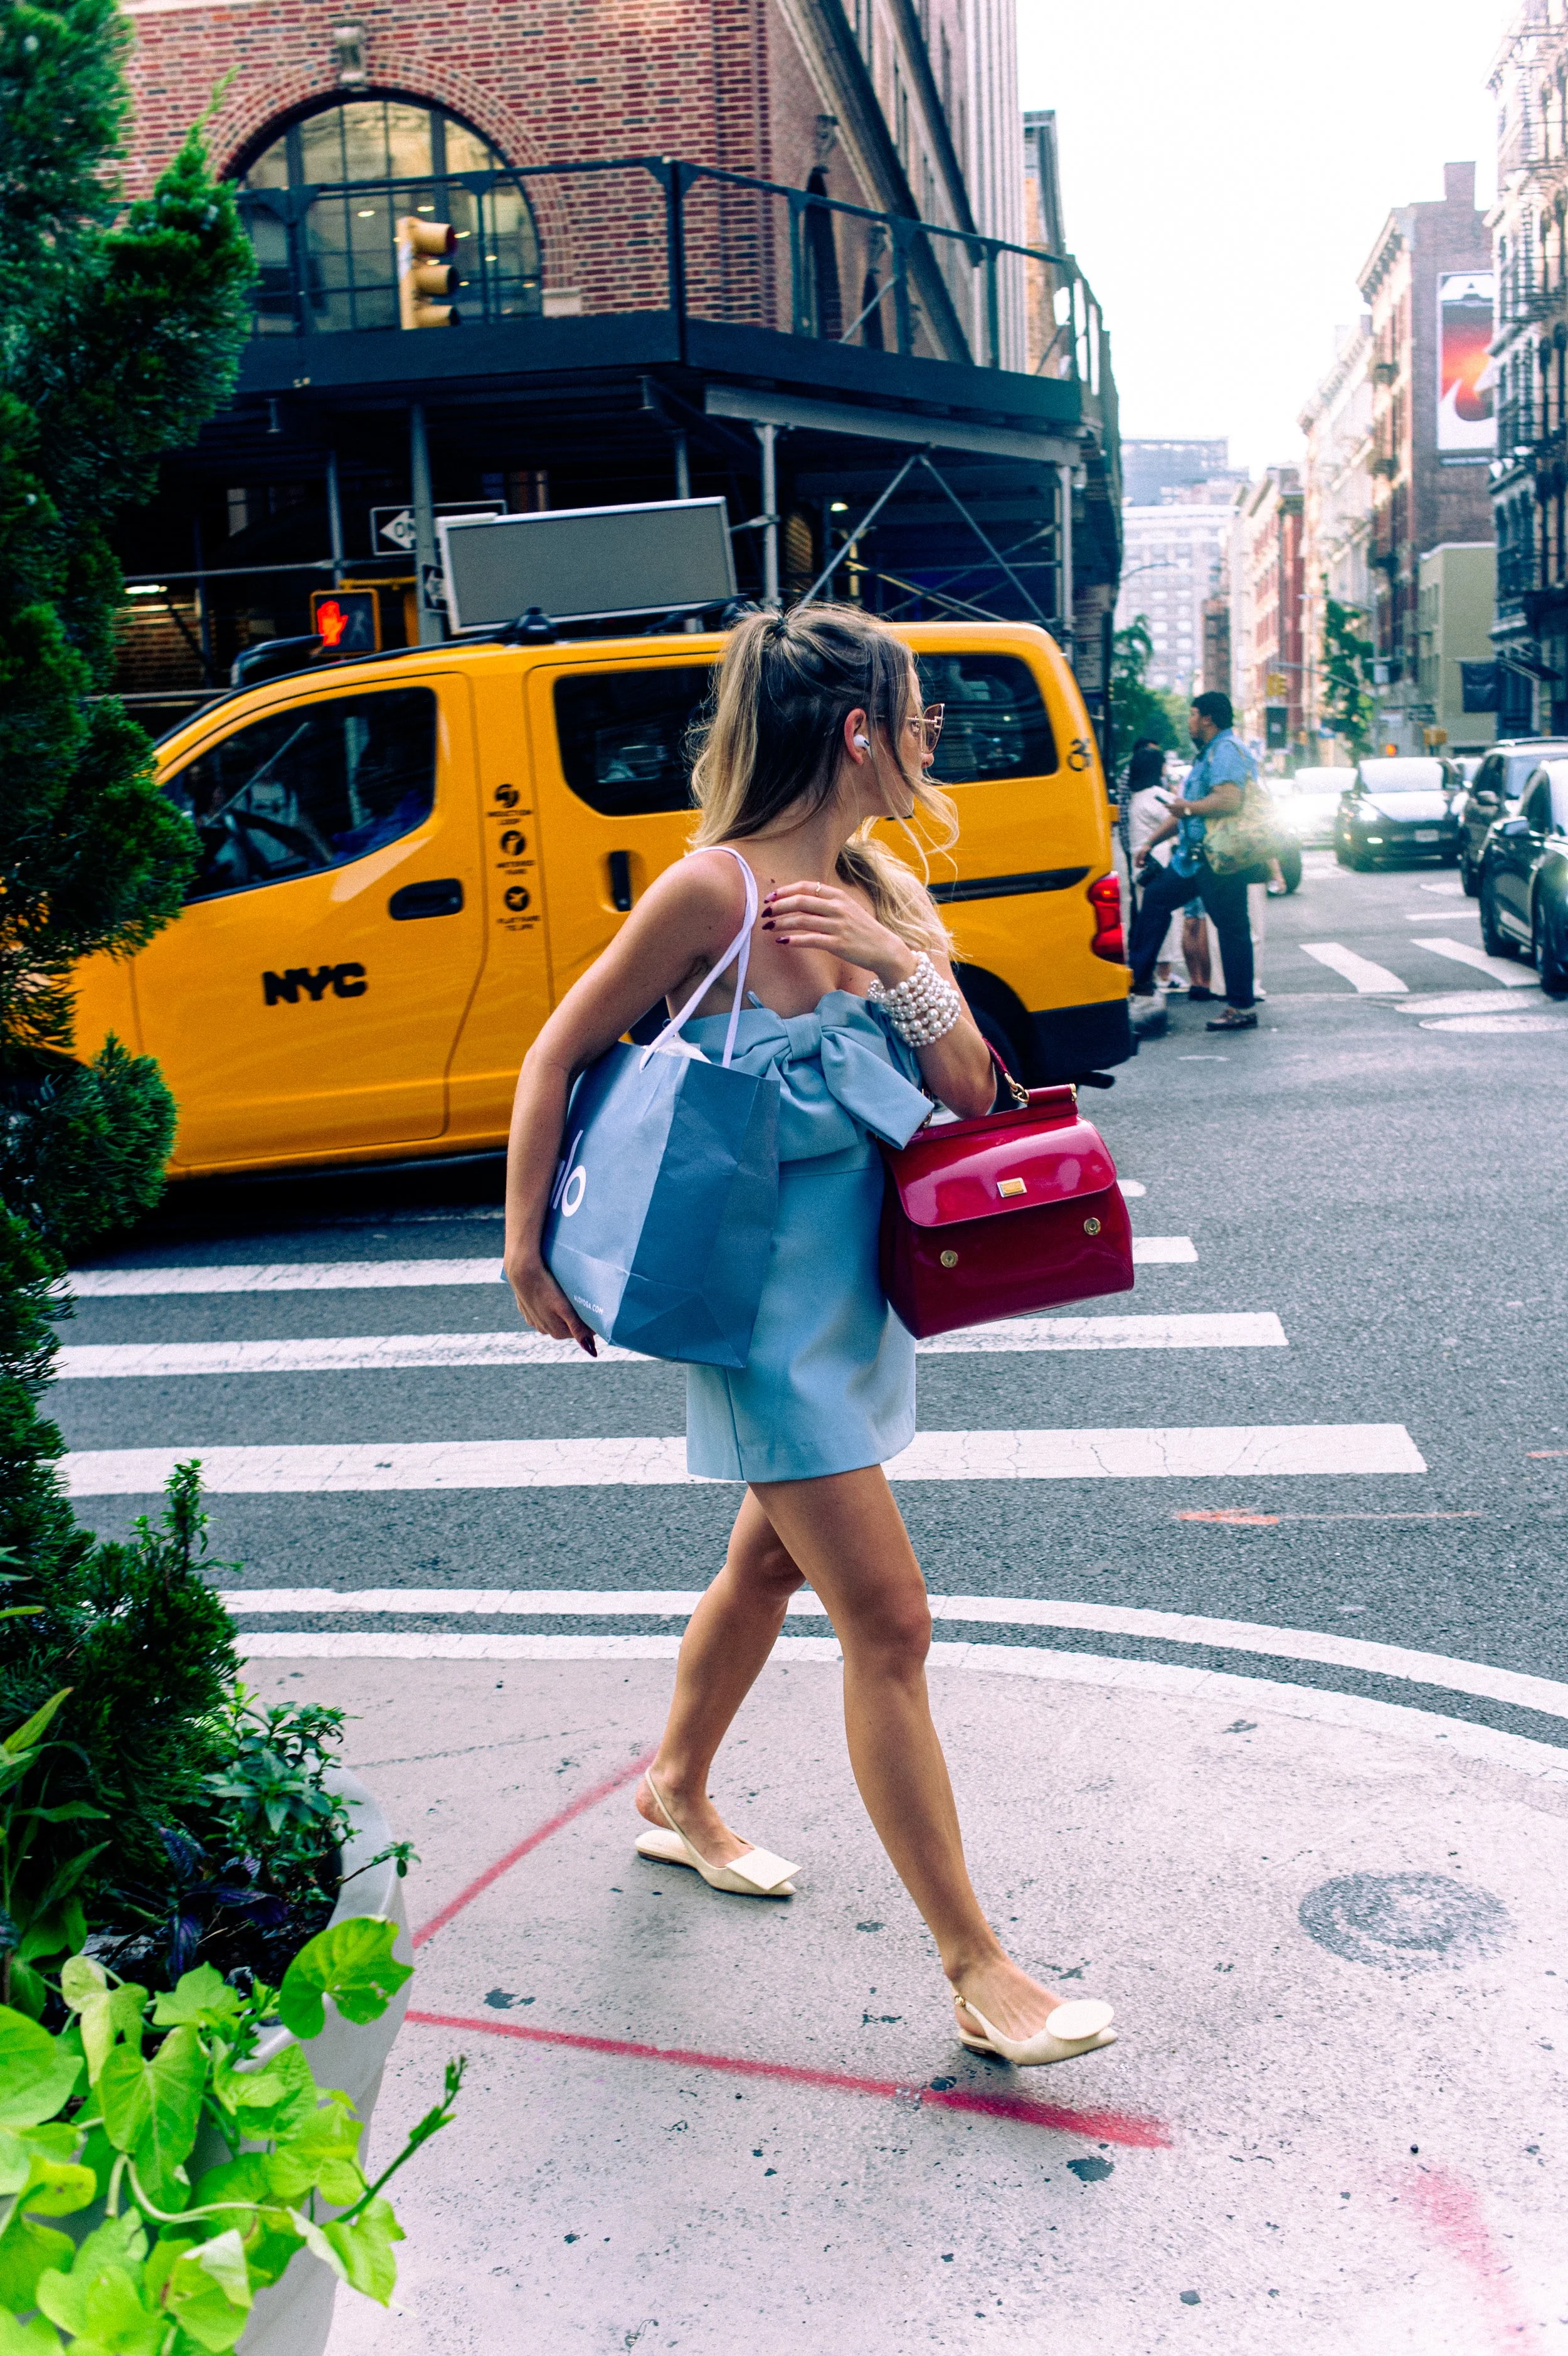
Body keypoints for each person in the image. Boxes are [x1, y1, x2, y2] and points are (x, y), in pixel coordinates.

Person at [503, 605, 1117, 2073]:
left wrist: (895, 958)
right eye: (913, 719)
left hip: (855, 1296)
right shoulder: (709, 893)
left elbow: (972, 1091)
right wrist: (527, 1249)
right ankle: (977, 1966)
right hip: (752, 1308)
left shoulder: (874, 882)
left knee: (767, 1557)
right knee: (889, 1620)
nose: (928, 744)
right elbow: (558, 1050)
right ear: (855, 732)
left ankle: (674, 1788)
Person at [1128, 689, 1258, 1033]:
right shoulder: (1208, 755)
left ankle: (1242, 1006)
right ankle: (1139, 983)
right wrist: (1151, 842)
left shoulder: (1227, 751)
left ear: (1208, 719)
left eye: (1192, 714)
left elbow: (1229, 799)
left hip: (1219, 859)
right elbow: (1186, 808)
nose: (1189, 721)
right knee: (1155, 900)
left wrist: (1187, 808)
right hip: (1193, 859)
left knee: (1232, 929)